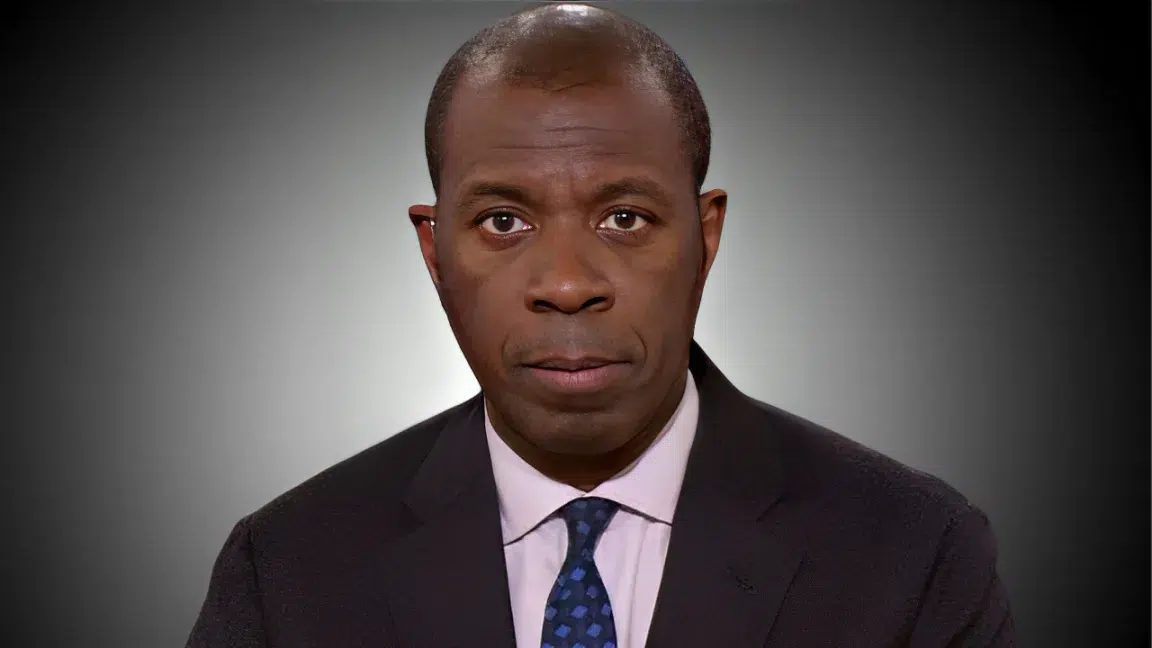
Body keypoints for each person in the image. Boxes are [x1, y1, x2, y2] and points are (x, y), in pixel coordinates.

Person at [185, 3, 1015, 647]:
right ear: (435, 253)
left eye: (624, 218)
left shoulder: (914, 553)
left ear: (705, 238)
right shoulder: (286, 571)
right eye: (504, 222)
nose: (567, 284)